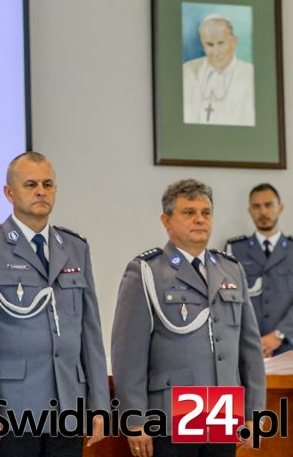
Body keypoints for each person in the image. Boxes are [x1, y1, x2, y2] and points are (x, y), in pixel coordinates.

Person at [0, 152, 109, 457]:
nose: (41, 191)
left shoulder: (75, 247)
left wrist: (99, 404)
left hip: (68, 405)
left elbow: (90, 333)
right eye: (31, 184)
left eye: (48, 184)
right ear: (9, 193)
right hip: (12, 406)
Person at [111, 179, 265, 457]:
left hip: (222, 411)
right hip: (172, 413)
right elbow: (128, 355)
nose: (199, 219)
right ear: (166, 220)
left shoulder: (231, 270)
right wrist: (135, 420)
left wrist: (254, 413)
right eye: (189, 212)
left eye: (206, 213)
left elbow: (249, 349)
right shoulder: (147, 271)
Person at [225, 183, 293, 357]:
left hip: (288, 347)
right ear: (249, 211)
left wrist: (279, 335)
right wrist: (251, 339)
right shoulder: (234, 250)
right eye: (256, 206)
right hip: (247, 348)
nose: (263, 212)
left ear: (281, 208)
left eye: (269, 205)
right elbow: (228, 301)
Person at [183, 14, 255, 126]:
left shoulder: (251, 75)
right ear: (202, 45)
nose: (216, 52)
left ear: (234, 42)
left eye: (221, 43)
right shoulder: (187, 71)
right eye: (209, 45)